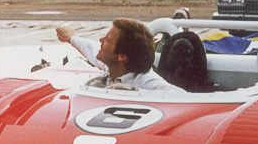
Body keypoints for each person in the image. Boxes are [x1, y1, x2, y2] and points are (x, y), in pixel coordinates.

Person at [56, 19, 186, 92]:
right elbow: (92, 49)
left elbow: (183, 97)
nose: (100, 40)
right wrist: (70, 38)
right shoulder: (115, 66)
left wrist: (135, 92)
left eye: (107, 39)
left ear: (122, 57)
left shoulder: (147, 81)